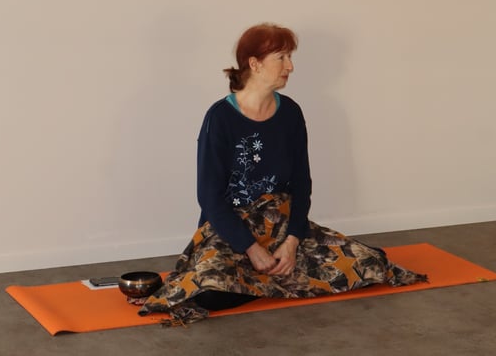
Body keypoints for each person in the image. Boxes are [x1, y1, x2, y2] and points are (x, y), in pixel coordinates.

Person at [138, 23, 426, 326]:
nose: (290, 66)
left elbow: (302, 183)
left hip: (281, 226)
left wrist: (291, 242)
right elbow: (209, 197)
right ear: (255, 63)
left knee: (370, 264)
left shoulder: (290, 113)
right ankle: (270, 277)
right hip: (231, 231)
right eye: (282, 58)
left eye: (290, 57)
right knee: (209, 292)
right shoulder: (220, 118)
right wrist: (251, 249)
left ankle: (266, 278)